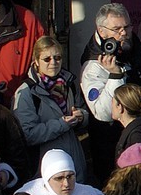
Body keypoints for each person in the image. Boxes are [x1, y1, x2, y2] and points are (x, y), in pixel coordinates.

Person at [12, 38, 89, 177]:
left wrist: (81, 116)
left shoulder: (69, 84)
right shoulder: (26, 93)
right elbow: (27, 134)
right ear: (36, 61)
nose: (53, 62)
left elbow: (83, 109)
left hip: (74, 163)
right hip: (45, 169)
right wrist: (62, 124)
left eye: (57, 57)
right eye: (47, 59)